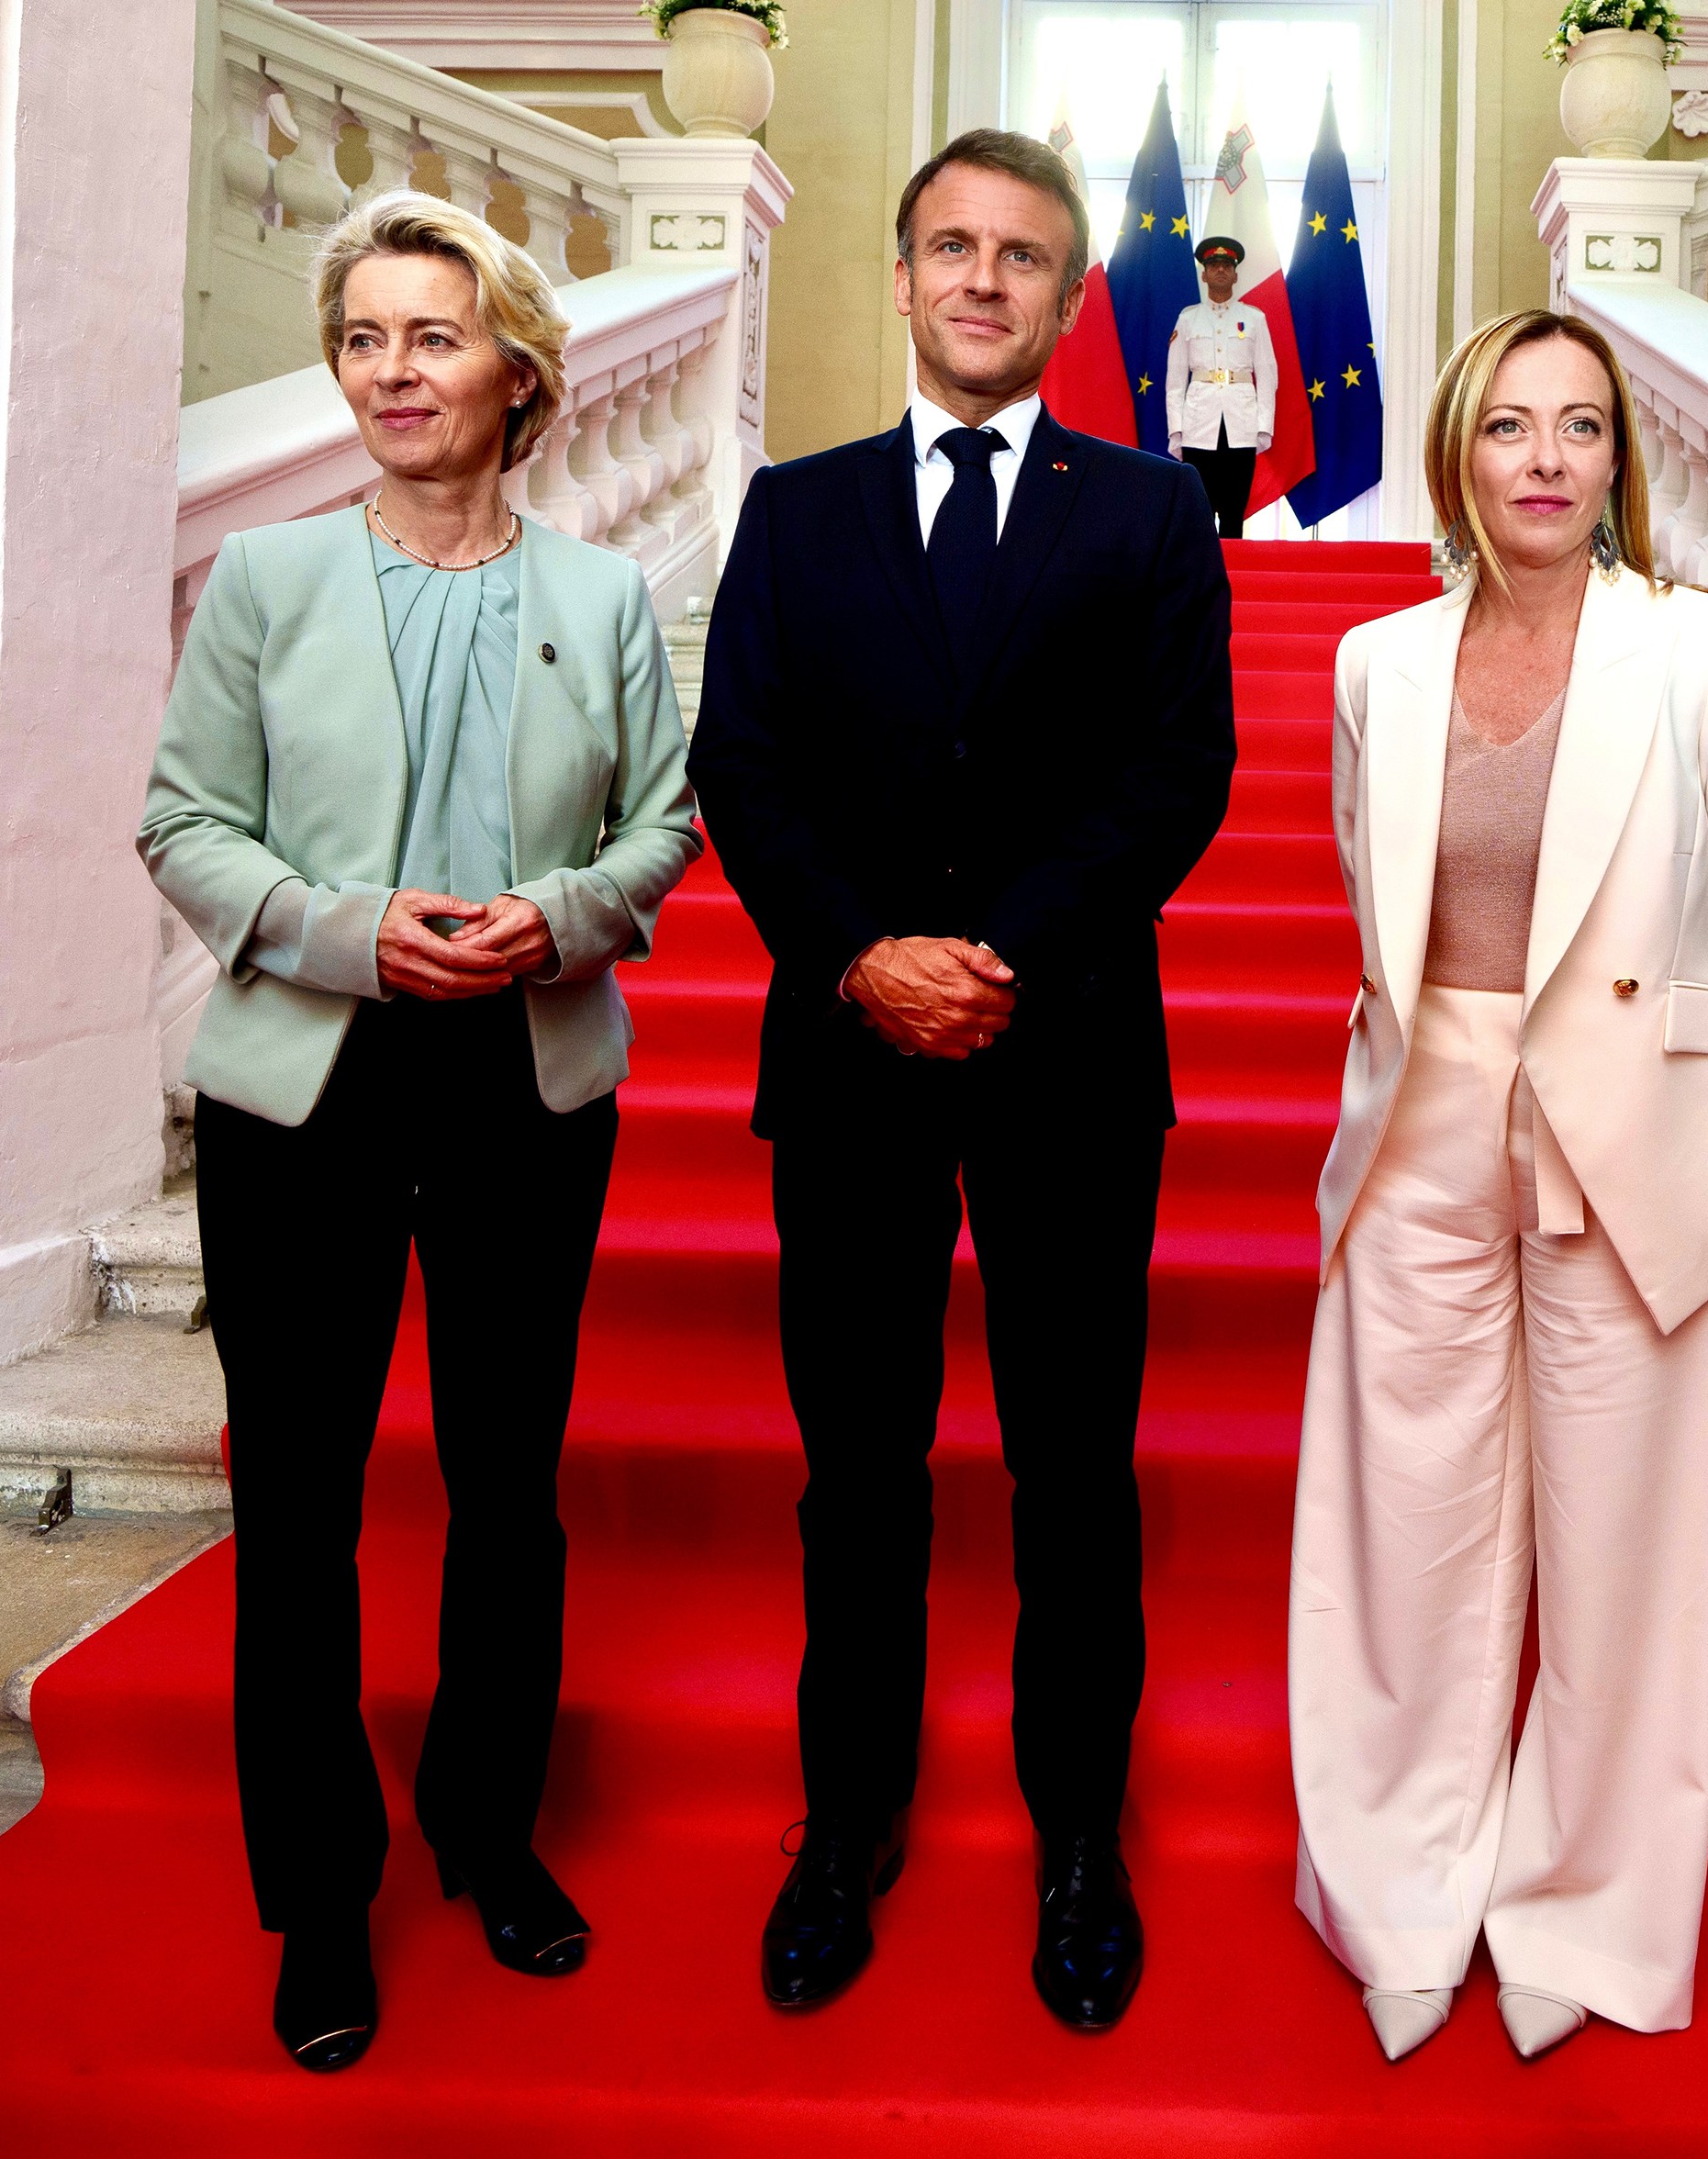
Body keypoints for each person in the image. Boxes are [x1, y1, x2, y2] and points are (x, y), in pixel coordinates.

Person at [138, 190, 699, 2074]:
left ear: (517, 370)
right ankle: (319, 1902)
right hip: (309, 1077)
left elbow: (665, 828)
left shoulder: (603, 596)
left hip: (524, 1080)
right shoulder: (271, 586)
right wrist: (343, 928)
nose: (392, 370)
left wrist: (572, 916)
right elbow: (185, 825)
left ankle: (488, 1831)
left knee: (505, 1483)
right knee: (297, 1508)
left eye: (430, 336)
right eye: (364, 337)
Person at [687, 129, 1234, 2031]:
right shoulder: (794, 508)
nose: (985, 280)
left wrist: (1001, 957)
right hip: (847, 1064)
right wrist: (860, 955)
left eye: (1023, 256)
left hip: (1068, 1055)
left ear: (1074, 299)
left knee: (1074, 1475)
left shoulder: (1152, 513)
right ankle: (845, 1837)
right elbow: (740, 763)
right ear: (903, 277)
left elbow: (1177, 775)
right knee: (861, 1472)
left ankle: (1080, 1846)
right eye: (952, 247)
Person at [1286, 309, 1708, 2064]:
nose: (1542, 458)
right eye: (1509, 425)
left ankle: (1583, 1910)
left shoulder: (1702, 653)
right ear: (1459, 447)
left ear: (1614, 462)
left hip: (1635, 1130)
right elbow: (1381, 896)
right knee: (1408, 1520)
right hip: (1427, 1109)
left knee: (1624, 1542)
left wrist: (1652, 1060)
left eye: (1579, 428)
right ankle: (1399, 1888)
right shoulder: (1378, 660)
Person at [1164, 235, 1278, 538]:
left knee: (1233, 513)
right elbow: (1174, 382)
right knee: (1198, 513)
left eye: (1226, 265)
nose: (1221, 270)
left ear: (1236, 273)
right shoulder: (1188, 319)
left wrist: (1264, 426)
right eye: (1214, 265)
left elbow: (1267, 376)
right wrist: (1177, 429)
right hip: (1199, 426)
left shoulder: (1254, 319)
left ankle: (1234, 580)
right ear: (1204, 273)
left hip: (1240, 425)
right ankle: (1201, 581)